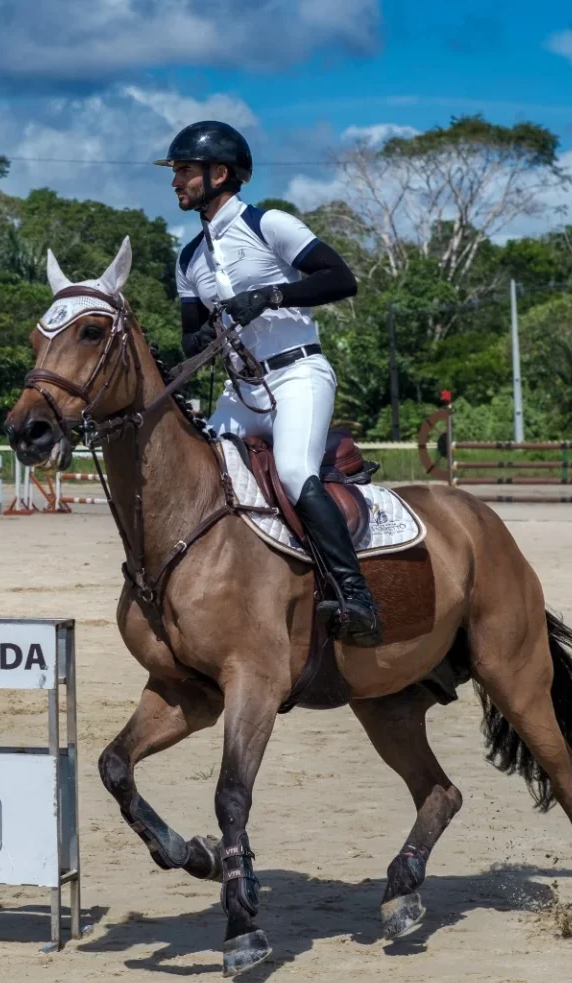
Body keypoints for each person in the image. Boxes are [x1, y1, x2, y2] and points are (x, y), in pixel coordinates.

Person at [156, 120, 380, 646]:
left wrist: (273, 297)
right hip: (241, 391)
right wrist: (200, 337)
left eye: (184, 172)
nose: (176, 183)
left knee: (296, 469)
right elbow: (192, 336)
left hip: (299, 373)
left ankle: (355, 596)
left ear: (220, 174)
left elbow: (340, 279)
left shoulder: (269, 225)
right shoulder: (189, 259)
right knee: (199, 472)